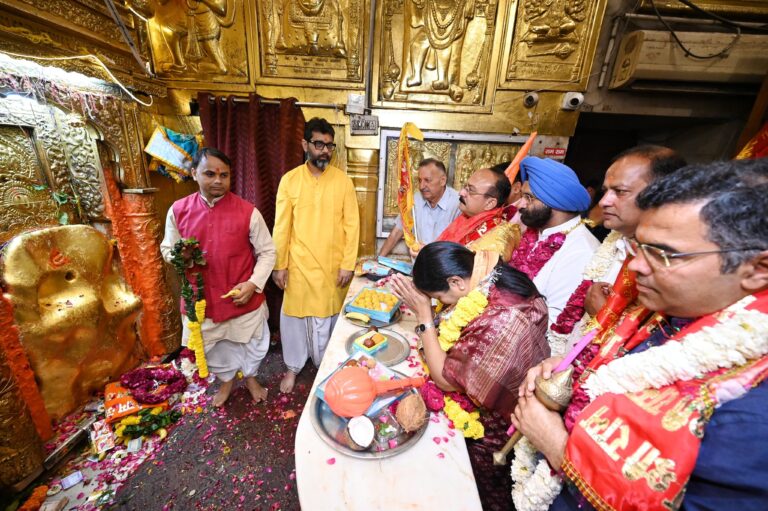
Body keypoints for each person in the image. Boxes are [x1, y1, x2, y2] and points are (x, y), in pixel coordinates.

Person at [512, 158, 768, 511]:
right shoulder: (661, 313)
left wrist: (558, 446)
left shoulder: (754, 409)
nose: (634, 266)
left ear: (758, 269)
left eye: (664, 254)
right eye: (639, 247)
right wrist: (569, 369)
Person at [390, 241, 549, 511]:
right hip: (509, 402)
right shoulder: (489, 274)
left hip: (498, 426)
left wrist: (425, 315)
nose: (442, 306)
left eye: (441, 299)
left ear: (456, 282)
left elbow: (444, 378)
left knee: (478, 493)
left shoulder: (500, 318)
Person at [160, 147, 276, 407]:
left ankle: (251, 378)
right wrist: (179, 257)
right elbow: (167, 247)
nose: (217, 181)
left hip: (241, 297)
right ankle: (226, 382)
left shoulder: (248, 212)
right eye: (210, 173)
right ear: (194, 173)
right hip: (203, 302)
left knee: (254, 345)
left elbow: (268, 252)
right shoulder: (178, 210)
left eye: (224, 175)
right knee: (216, 350)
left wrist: (253, 284)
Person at [549, 146, 686, 354]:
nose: (603, 202)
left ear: (663, 195)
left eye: (620, 192)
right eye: (606, 191)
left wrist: (605, 317)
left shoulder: (674, 264)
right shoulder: (616, 242)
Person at [273, 117, 360, 394]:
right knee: (294, 320)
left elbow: (352, 226)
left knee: (328, 318)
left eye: (329, 146)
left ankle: (326, 365)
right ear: (305, 144)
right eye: (319, 144)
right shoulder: (290, 181)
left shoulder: (343, 182)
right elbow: (282, 226)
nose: (324, 151)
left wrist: (348, 264)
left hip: (331, 265)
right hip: (298, 264)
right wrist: (279, 265)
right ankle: (293, 367)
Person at [509, 156, 598, 339]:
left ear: (554, 202)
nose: (520, 205)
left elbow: (552, 323)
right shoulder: (538, 233)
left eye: (528, 198)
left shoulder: (580, 250)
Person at [378, 158, 460, 257]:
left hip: (444, 268)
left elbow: (459, 246)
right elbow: (397, 232)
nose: (421, 186)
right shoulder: (415, 199)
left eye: (427, 180)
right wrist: (378, 261)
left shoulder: (458, 204)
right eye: (420, 180)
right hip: (418, 268)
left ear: (442, 181)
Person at [435, 167, 520, 261]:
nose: (461, 193)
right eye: (465, 187)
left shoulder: (496, 239)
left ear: (489, 203)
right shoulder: (467, 217)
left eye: (471, 190)